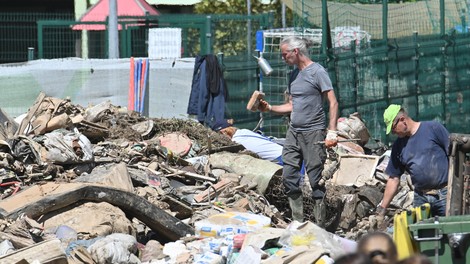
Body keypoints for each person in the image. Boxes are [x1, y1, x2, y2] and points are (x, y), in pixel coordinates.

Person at [258, 36, 339, 226]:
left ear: (295, 52)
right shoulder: (293, 75)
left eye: (284, 54)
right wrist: (270, 108)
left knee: (316, 180)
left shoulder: (317, 72)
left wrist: (332, 131)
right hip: (294, 132)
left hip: (313, 133)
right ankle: (297, 222)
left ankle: (320, 227)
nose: (283, 58)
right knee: (289, 176)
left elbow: (333, 102)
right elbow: (292, 106)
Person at [377, 104, 450, 219]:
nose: (393, 133)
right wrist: (382, 209)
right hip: (420, 198)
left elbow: (454, 154)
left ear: (402, 120)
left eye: (393, 128)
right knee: (421, 234)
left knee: (452, 232)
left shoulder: (433, 129)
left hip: (444, 195)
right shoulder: (398, 146)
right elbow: (393, 179)